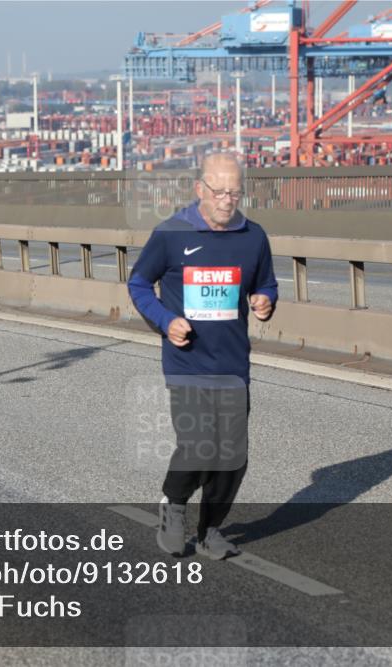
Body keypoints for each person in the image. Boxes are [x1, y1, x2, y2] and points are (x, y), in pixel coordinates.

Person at [128, 152, 278, 560]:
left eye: (235, 192)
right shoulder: (171, 234)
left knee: (231, 456)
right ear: (200, 190)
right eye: (219, 192)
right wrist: (165, 320)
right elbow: (140, 283)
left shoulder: (254, 236)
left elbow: (266, 283)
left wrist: (265, 300)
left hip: (232, 364)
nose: (228, 200)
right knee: (198, 446)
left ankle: (211, 529)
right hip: (187, 361)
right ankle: (172, 505)